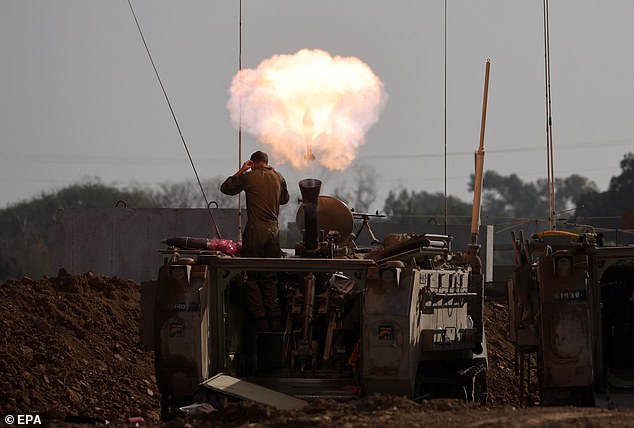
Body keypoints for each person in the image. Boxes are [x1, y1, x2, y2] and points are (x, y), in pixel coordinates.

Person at [221, 150, 290, 332]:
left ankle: (260, 321)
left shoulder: (249, 177)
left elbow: (226, 188)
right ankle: (275, 320)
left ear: (252, 162)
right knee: (270, 277)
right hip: (274, 233)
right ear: (267, 162)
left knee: (251, 277)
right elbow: (285, 199)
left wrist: (242, 171)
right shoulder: (278, 176)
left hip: (255, 231)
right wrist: (273, 174)